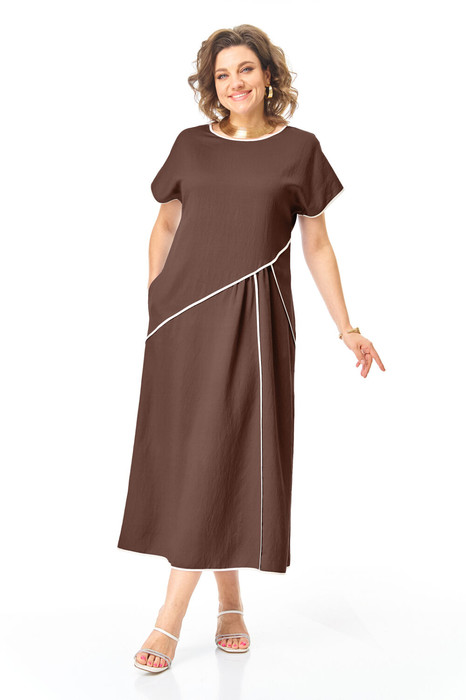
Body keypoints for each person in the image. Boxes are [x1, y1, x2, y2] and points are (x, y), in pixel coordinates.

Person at [117, 24, 386, 674]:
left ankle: (170, 616)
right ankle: (230, 601)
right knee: (195, 457)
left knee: (229, 450)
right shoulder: (191, 145)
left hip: (257, 322)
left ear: (268, 74)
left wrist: (346, 326)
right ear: (211, 86)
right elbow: (165, 224)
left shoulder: (300, 149)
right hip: (182, 323)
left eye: (245, 69)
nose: (234, 83)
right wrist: (158, 301)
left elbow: (316, 243)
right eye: (221, 75)